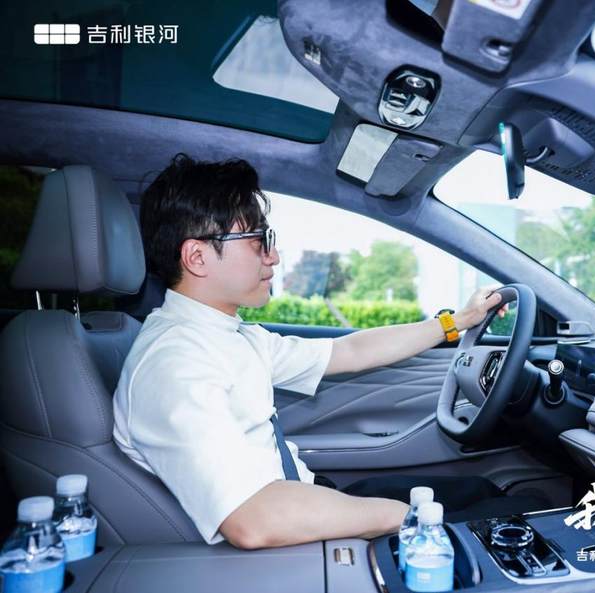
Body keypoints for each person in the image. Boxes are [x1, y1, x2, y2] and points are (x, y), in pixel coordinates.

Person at [112, 154, 513, 550]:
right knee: (505, 517)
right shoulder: (173, 364)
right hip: (283, 531)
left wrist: (456, 322)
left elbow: (348, 351)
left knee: (483, 494)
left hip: (303, 500)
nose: (273, 256)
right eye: (257, 241)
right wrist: (403, 518)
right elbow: (253, 520)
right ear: (197, 257)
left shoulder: (224, 336)